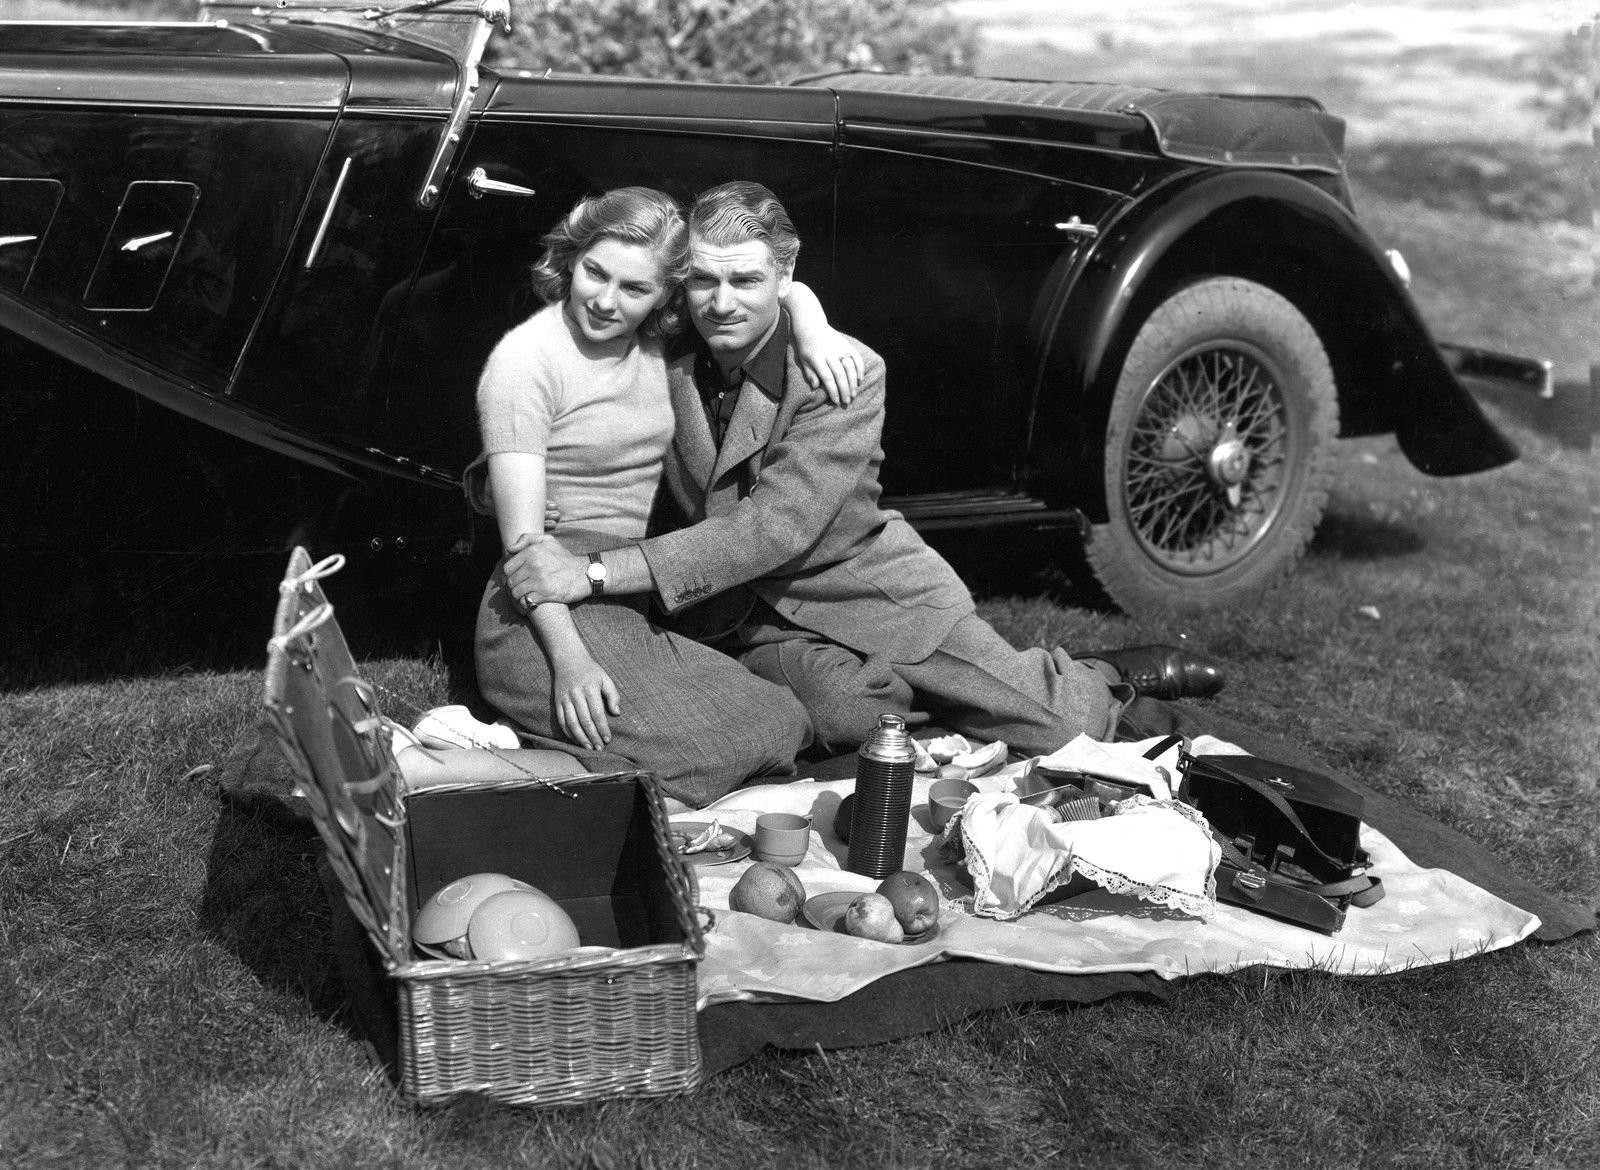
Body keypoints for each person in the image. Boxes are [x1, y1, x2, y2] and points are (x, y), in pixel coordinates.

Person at [501, 181, 1223, 760]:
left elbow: (772, 529)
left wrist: (594, 573)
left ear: (786, 274)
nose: (721, 304)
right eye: (702, 283)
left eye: (747, 282)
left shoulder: (842, 373)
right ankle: (932, 697)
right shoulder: (667, 356)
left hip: (870, 592)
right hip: (749, 616)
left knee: (1058, 728)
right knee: (853, 722)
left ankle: (1098, 675)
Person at [469, 185, 863, 807]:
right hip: (542, 611)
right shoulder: (526, 361)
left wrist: (809, 319)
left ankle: (556, 758)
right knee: (760, 736)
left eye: (634, 289)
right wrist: (570, 663)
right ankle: (464, 765)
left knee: (782, 720)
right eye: (595, 273)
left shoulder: (650, 349)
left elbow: (759, 279)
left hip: (617, 594)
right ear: (570, 259)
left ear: (664, 296)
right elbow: (528, 552)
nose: (605, 300)